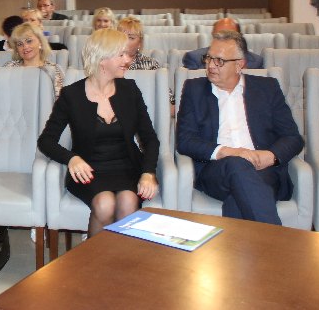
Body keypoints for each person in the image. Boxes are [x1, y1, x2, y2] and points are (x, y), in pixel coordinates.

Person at [38, 29, 159, 237]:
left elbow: (150, 139)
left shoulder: (130, 89)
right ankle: (94, 257)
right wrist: (72, 158)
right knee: (104, 204)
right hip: (90, 170)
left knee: (128, 201)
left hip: (127, 167)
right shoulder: (72, 95)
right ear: (102, 59)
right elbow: (46, 141)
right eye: (121, 55)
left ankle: (120, 257)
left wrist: (148, 173)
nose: (128, 60)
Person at [176, 30, 303, 225]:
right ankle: (278, 240)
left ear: (239, 65)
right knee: (236, 164)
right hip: (216, 171)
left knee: (238, 198)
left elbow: (293, 137)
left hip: (264, 170)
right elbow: (185, 141)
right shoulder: (194, 89)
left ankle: (257, 245)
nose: (210, 65)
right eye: (208, 58)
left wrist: (270, 156)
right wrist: (228, 152)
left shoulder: (267, 88)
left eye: (219, 61)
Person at [117, 17, 174, 106]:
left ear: (139, 43)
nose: (124, 41)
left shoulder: (151, 65)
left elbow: (169, 100)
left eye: (131, 38)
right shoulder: (107, 62)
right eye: (121, 37)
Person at [2, 23, 64, 98]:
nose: (25, 47)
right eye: (19, 44)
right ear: (17, 49)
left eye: (29, 41)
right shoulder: (9, 67)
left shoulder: (54, 70)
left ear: (40, 42)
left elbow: (60, 100)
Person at [182, 17, 263, 69]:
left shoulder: (256, 61)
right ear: (212, 36)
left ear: (240, 36)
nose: (223, 40)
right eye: (218, 36)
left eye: (229, 36)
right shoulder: (195, 59)